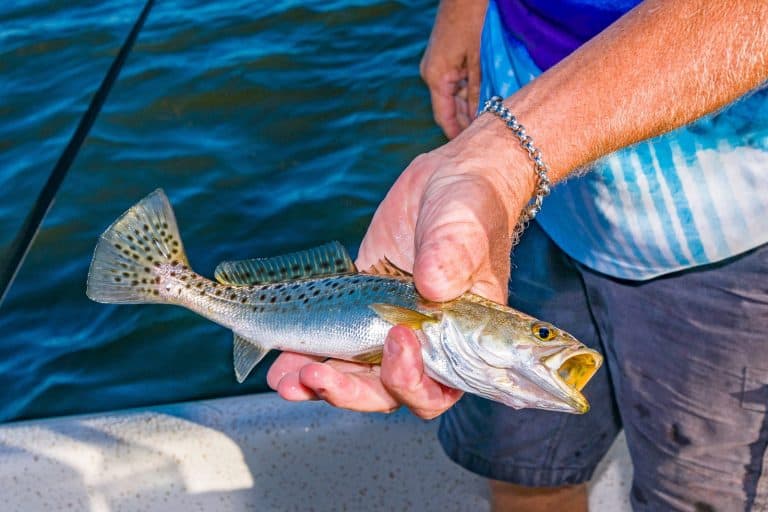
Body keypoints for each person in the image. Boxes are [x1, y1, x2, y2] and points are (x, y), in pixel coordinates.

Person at [268, 0, 768, 510]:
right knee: (524, 474)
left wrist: (500, 156)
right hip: (519, 192)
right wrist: (463, 13)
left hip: (727, 218)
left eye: (541, 337)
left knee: (698, 498)